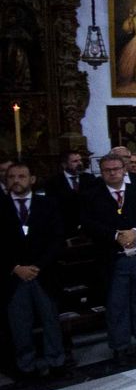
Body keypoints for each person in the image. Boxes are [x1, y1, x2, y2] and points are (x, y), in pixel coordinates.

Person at [82, 153, 136, 362]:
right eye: (107, 170)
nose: (113, 173)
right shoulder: (92, 195)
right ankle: (120, 345)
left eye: (116, 169)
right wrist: (116, 236)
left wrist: (135, 231)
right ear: (102, 172)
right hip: (112, 257)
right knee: (117, 304)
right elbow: (88, 223)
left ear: (124, 169)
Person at [3, 158, 67, 377]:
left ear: (32, 179)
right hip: (14, 277)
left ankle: (56, 362)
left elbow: (58, 239)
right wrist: (16, 267)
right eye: (11, 177)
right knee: (20, 325)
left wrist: (38, 266)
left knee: (50, 321)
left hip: (44, 274)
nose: (16, 181)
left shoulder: (48, 204)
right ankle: (26, 366)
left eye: (21, 176)